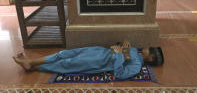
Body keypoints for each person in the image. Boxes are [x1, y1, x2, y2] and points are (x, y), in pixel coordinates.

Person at [13, 40, 164, 80]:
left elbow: (119, 73)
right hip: (99, 50)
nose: (146, 47)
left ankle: (32, 65)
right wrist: (122, 44)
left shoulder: (137, 66)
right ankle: (31, 62)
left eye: (149, 49)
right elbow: (121, 47)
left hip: (98, 62)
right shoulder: (135, 51)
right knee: (64, 54)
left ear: (150, 57)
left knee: (66, 64)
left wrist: (119, 54)